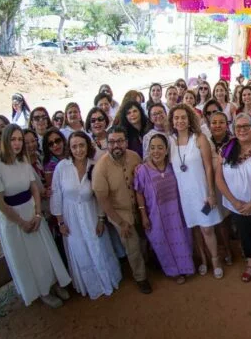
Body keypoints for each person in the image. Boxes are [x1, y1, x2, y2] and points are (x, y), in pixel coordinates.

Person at [0, 124, 71, 307]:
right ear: (5, 141)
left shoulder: (23, 162)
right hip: (13, 219)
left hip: (32, 211)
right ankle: (42, 291)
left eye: (19, 140)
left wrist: (38, 214)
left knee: (45, 252)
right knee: (28, 257)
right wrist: (21, 222)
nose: (16, 143)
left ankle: (54, 283)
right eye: (12, 139)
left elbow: (34, 188)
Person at [51, 131, 122, 299]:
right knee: (80, 250)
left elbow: (100, 196)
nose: (78, 150)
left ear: (87, 146)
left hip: (91, 213)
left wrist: (100, 219)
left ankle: (107, 281)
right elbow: (56, 196)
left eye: (81, 145)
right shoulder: (62, 167)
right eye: (74, 146)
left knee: (98, 246)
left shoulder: (94, 166)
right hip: (71, 217)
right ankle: (92, 286)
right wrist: (61, 222)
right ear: (69, 148)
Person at [93, 126, 152, 294]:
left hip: (140, 208)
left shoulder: (134, 157)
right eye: (111, 142)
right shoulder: (100, 168)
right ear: (107, 144)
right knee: (132, 247)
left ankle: (149, 263)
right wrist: (120, 223)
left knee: (145, 238)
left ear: (126, 142)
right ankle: (141, 277)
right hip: (120, 214)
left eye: (119, 141)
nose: (116, 145)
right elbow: (103, 201)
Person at [168, 104, 225, 279]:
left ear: (189, 119)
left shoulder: (199, 138)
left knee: (207, 229)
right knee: (194, 229)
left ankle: (215, 260)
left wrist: (211, 193)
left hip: (202, 192)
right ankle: (203, 260)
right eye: (176, 118)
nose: (180, 121)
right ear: (172, 121)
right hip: (184, 195)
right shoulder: (170, 141)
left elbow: (209, 167)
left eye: (183, 117)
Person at [216, 114, 251, 283]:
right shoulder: (226, 149)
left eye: (246, 126)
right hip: (236, 205)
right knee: (244, 235)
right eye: (238, 127)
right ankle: (250, 264)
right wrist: (234, 202)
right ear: (233, 129)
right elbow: (219, 178)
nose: (242, 130)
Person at [134, 133, 195, 284]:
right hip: (156, 216)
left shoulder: (172, 166)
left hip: (177, 213)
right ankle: (173, 271)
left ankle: (185, 267)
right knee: (161, 243)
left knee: (182, 239)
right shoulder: (142, 170)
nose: (156, 151)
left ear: (166, 150)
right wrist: (143, 215)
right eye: (152, 148)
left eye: (160, 147)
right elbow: (139, 192)